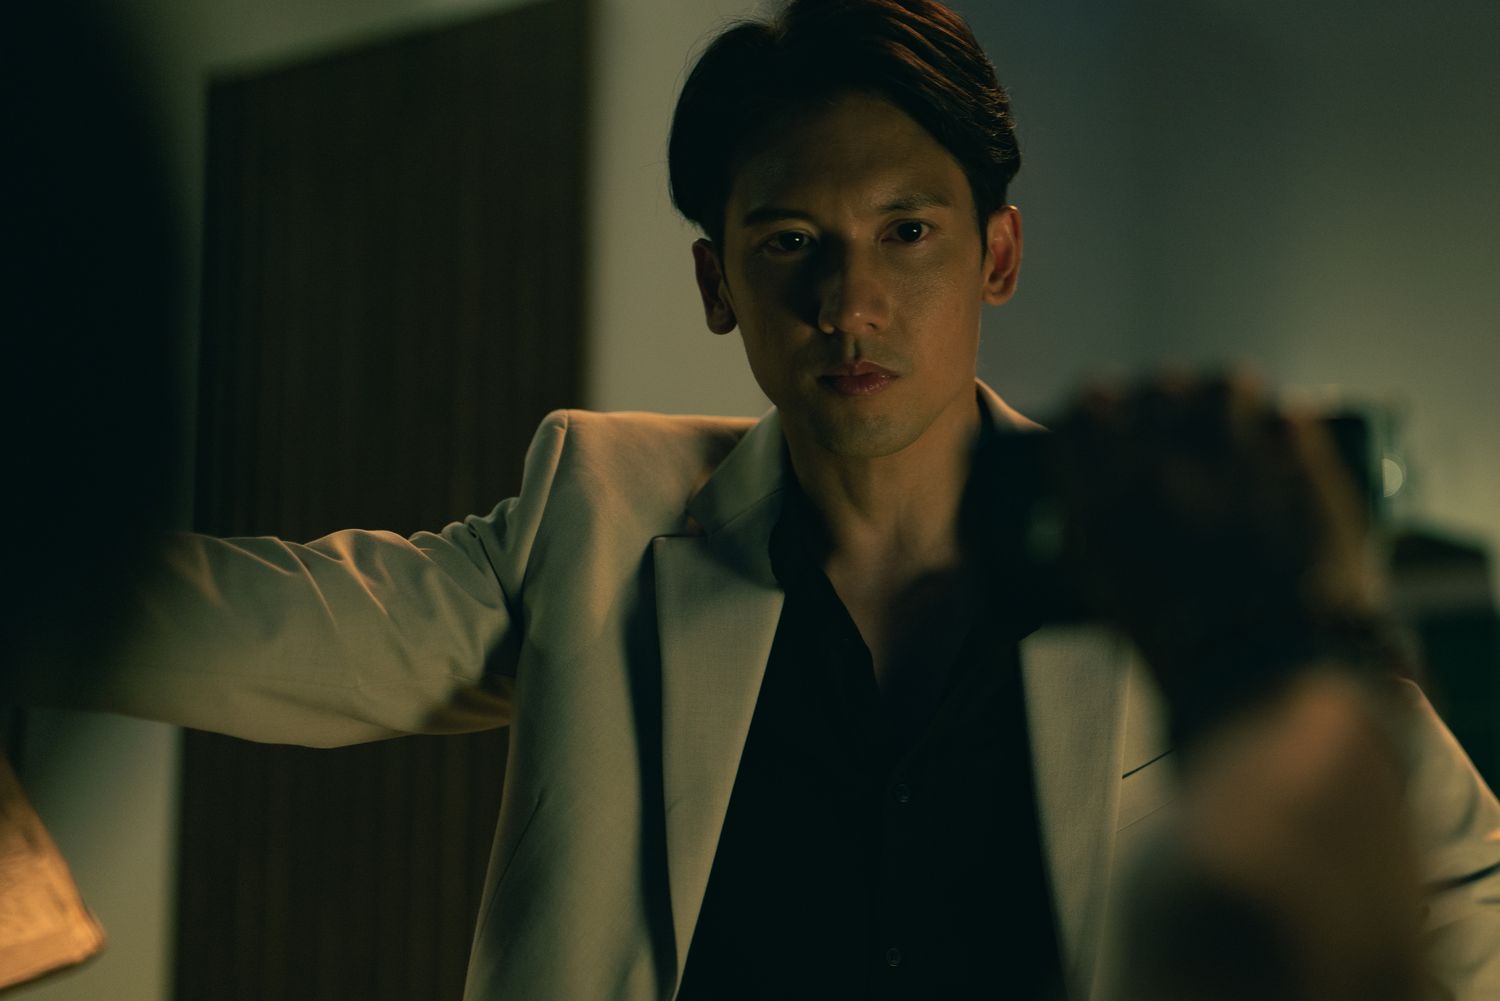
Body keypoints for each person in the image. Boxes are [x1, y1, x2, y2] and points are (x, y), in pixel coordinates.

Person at [12, 1, 1500, 998]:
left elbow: (1466, 877)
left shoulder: (1143, 532)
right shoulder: (599, 515)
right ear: (718, 281)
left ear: (995, 254)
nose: (849, 301)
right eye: (790, 242)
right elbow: (277, 624)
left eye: (905, 233)